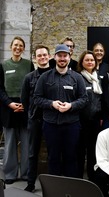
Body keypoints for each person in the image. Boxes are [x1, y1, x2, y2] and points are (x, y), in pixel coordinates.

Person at [33, 44, 88, 177]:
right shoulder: (45, 77)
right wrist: (52, 104)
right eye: (60, 56)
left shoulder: (77, 78)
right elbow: (37, 98)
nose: (62, 58)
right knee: (53, 158)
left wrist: (71, 106)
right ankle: (54, 189)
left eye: (65, 56)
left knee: (71, 158)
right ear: (54, 57)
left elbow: (84, 99)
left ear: (70, 57)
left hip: (72, 125)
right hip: (51, 125)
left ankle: (69, 188)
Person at [0, 36, 34, 184]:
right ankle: (10, 174)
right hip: (9, 108)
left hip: (25, 107)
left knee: (26, 143)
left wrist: (25, 104)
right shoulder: (3, 65)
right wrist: (9, 103)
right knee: (10, 144)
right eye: (15, 45)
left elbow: (33, 87)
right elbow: (0, 89)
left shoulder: (29, 65)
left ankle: (26, 173)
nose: (18, 48)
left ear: (24, 48)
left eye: (21, 45)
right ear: (11, 47)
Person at [21, 44, 52, 192]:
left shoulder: (55, 75)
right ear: (35, 58)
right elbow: (24, 100)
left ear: (49, 56)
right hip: (34, 120)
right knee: (33, 153)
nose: (42, 57)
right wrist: (31, 114)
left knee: (53, 152)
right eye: (39, 55)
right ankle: (31, 182)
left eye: (44, 55)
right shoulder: (29, 78)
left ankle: (54, 182)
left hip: (51, 120)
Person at [76, 50, 103, 182]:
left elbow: (101, 100)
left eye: (92, 60)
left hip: (96, 121)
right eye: (87, 60)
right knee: (80, 151)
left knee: (93, 151)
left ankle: (93, 179)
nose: (90, 62)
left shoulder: (98, 78)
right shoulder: (77, 78)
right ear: (82, 62)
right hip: (81, 120)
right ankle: (79, 179)